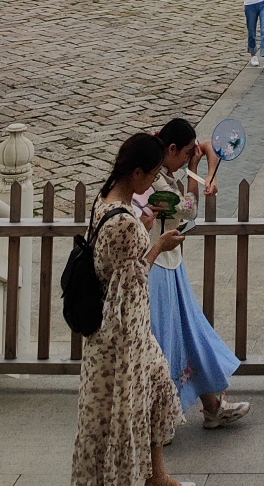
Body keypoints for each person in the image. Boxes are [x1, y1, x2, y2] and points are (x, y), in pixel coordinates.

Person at [70, 131, 186, 486]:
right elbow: (132, 278)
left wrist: (144, 228)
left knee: (158, 385)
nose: (154, 180)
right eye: (152, 175)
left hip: (125, 328)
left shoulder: (105, 201)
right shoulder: (122, 222)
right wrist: (158, 244)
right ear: (137, 173)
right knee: (120, 412)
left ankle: (156, 474)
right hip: (121, 334)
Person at [144, 119, 249, 431]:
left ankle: (212, 405)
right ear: (172, 149)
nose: (190, 156)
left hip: (171, 264)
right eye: (185, 153)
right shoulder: (156, 182)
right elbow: (187, 213)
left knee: (190, 333)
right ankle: (159, 419)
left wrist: (203, 159)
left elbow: (205, 150)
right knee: (166, 342)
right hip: (157, 268)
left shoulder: (161, 171)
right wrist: (196, 172)